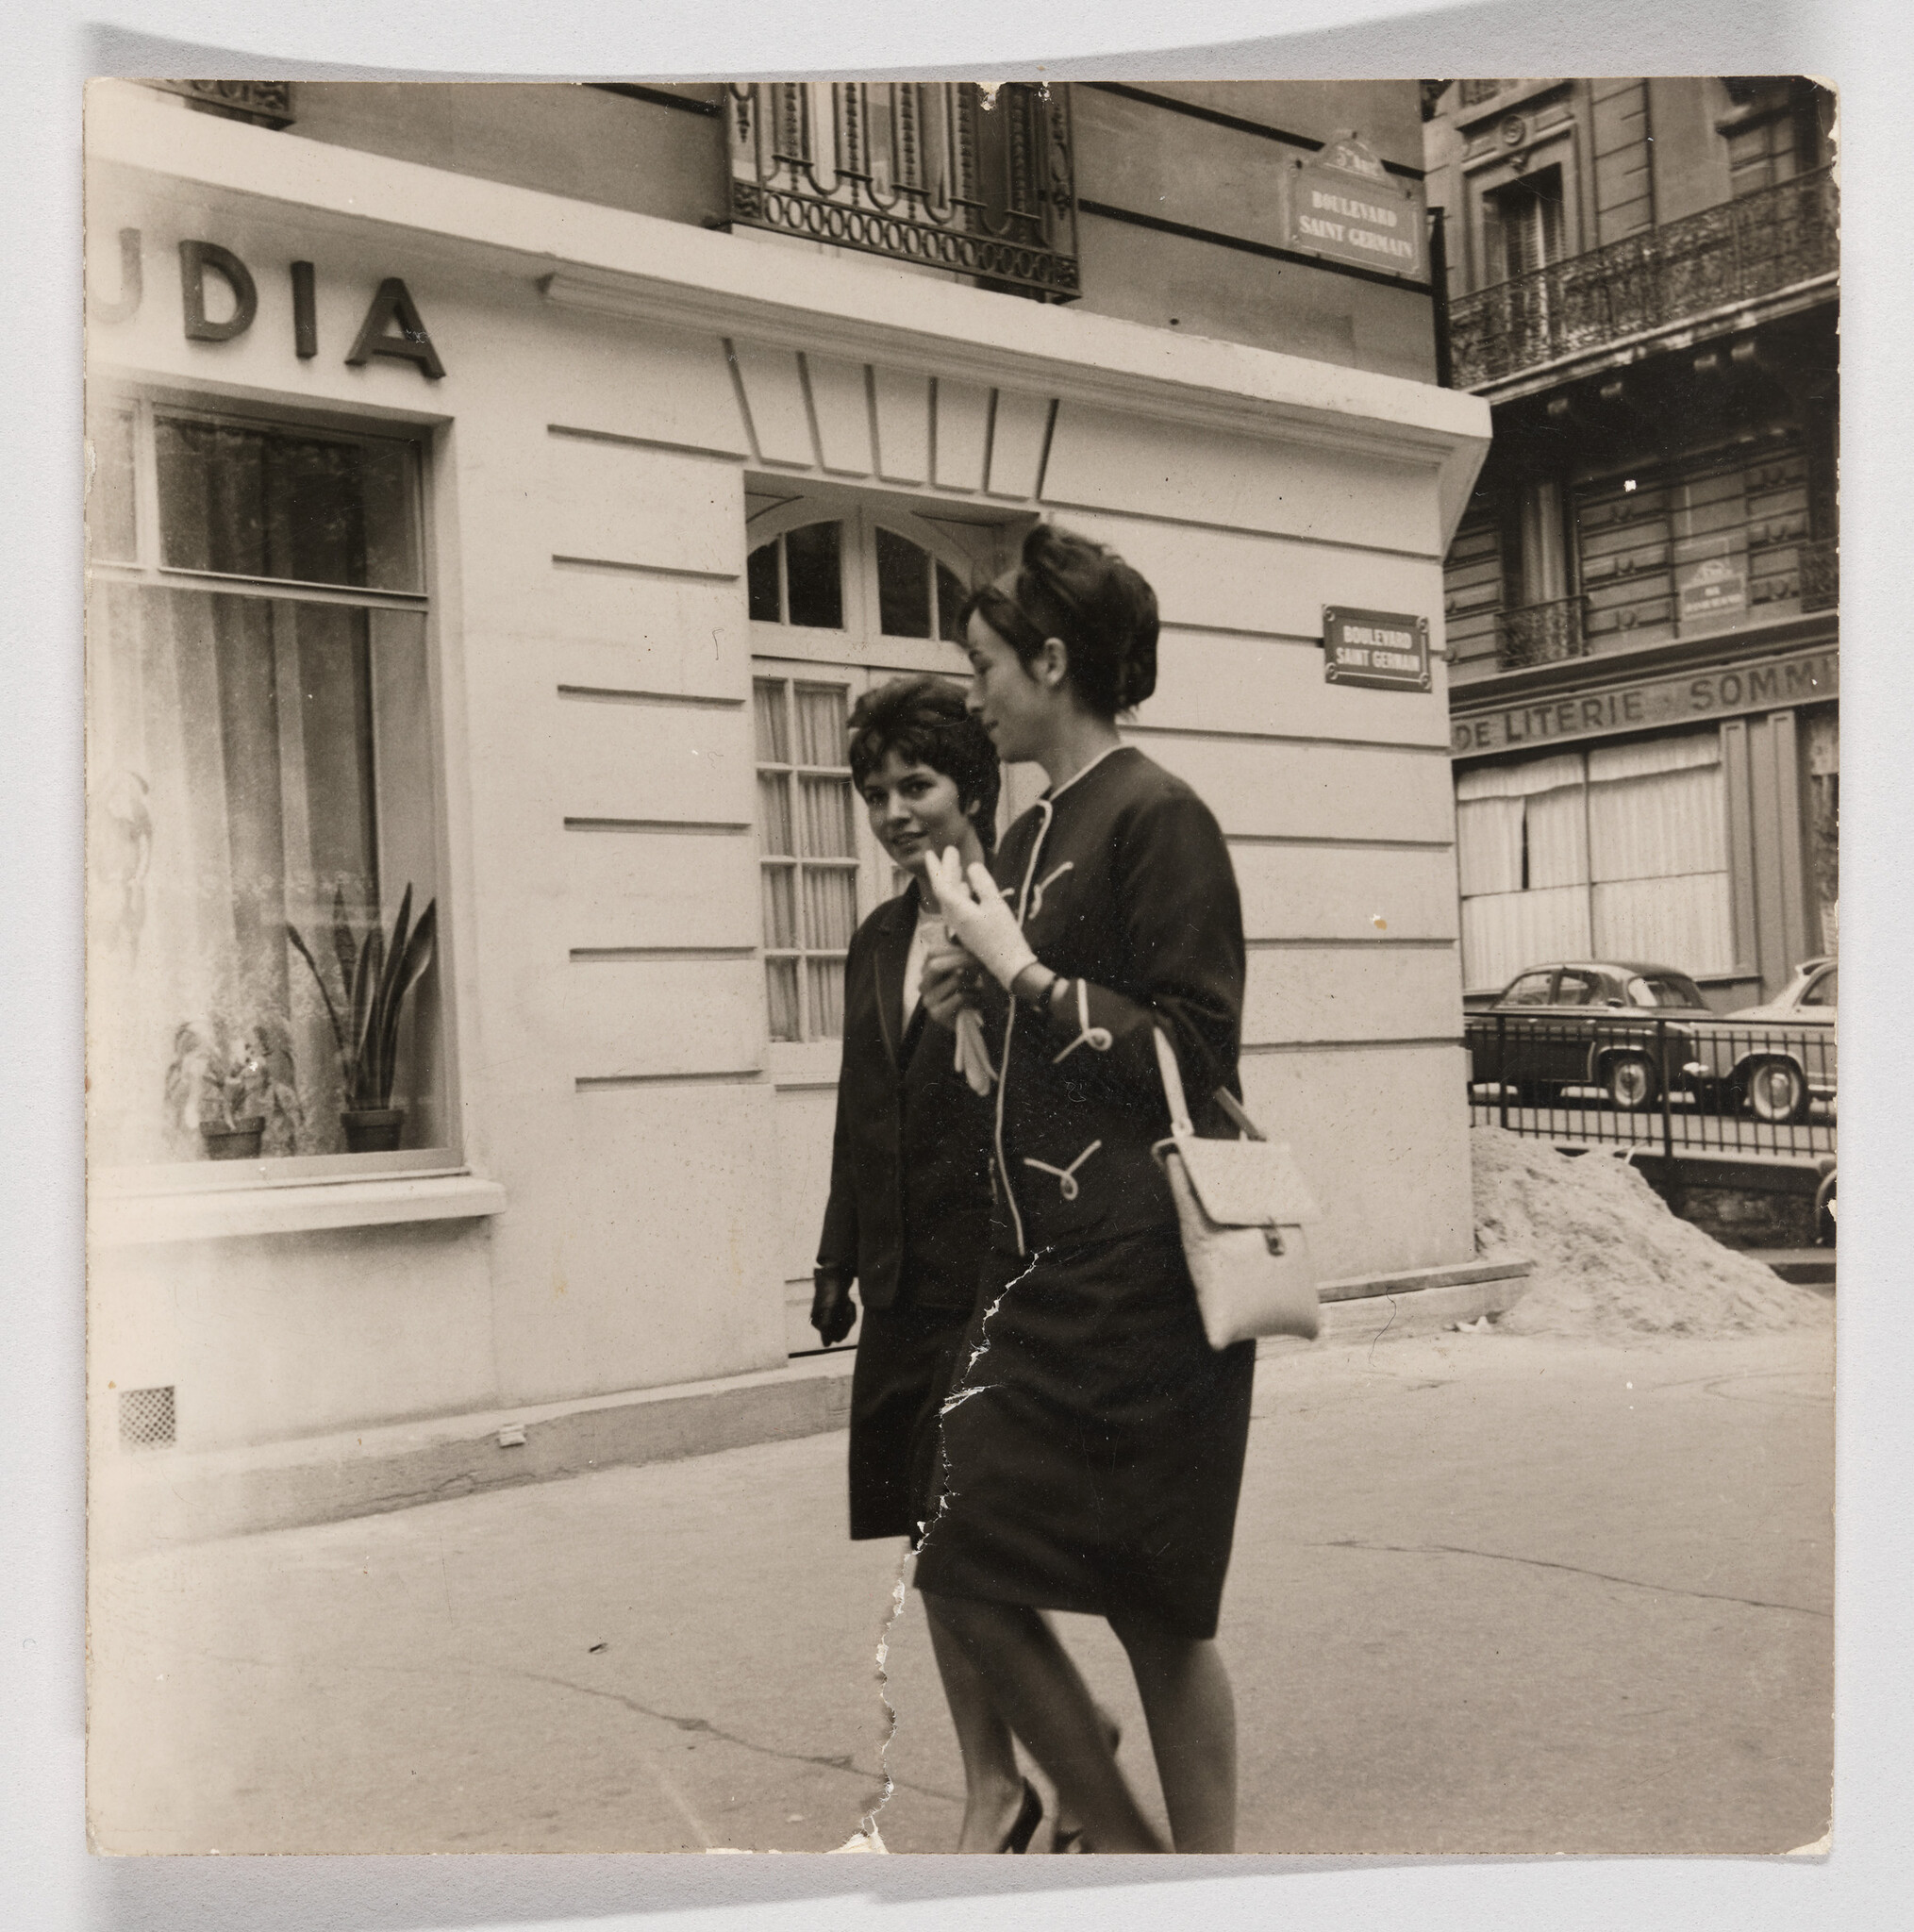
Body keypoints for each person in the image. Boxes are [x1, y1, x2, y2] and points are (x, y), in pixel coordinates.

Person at [914, 523, 1254, 1854]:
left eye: (989, 666)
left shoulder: (1158, 814)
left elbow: (1193, 1044)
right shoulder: (1041, 821)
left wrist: (1027, 977)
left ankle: (1185, 1875)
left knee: (1156, 1609)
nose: (975, 693)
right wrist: (972, 1005)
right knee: (962, 1551)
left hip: (1140, 1276)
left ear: (1052, 663)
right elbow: (1040, 1062)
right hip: (1047, 1266)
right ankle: (1128, 1843)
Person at [810, 675, 1050, 1854]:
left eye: (917, 784)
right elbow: (864, 1108)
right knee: (930, 1540)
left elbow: (1058, 1085)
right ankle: (1001, 1779)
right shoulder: (874, 937)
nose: (895, 810)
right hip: (906, 1280)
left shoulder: (1025, 914)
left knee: (979, 1536)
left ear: (972, 785)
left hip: (1004, 1268)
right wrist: (835, 1254)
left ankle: (1032, 1770)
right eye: (874, 791)